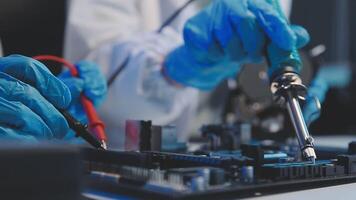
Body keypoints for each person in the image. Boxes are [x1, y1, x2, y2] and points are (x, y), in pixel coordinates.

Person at [0, 0, 318, 148]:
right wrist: (176, 68)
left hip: (218, 156)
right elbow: (98, 77)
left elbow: (257, 69)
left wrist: (272, 101)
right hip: (125, 155)